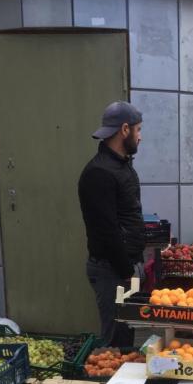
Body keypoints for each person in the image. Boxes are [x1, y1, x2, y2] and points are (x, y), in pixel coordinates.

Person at [78, 101, 146, 347]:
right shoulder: (99, 173)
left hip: (125, 267)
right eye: (138, 130)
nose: (140, 137)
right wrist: (127, 271)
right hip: (112, 271)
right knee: (116, 344)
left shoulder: (121, 165)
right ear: (124, 130)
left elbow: (127, 214)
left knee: (126, 337)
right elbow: (106, 231)